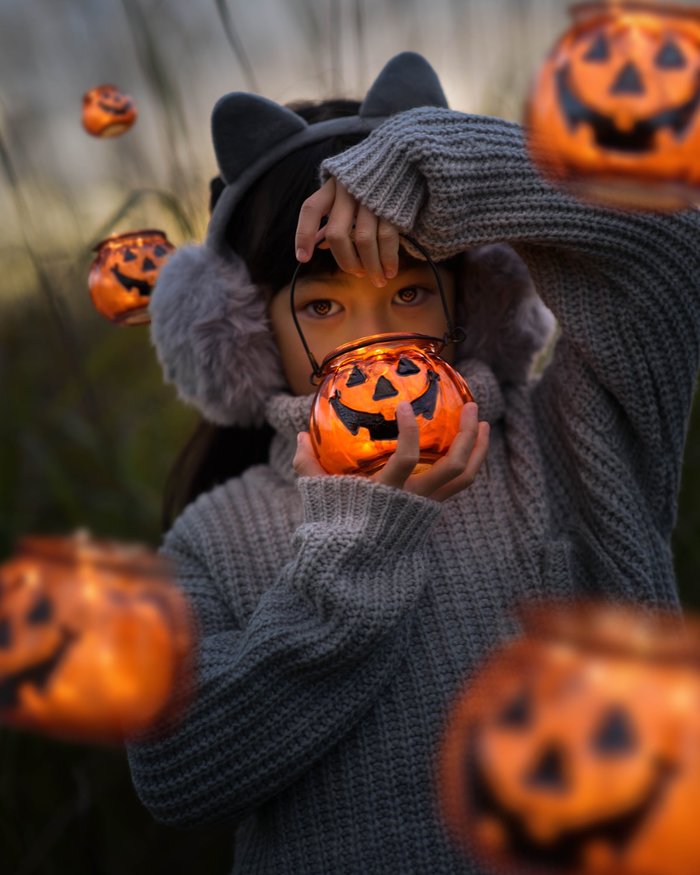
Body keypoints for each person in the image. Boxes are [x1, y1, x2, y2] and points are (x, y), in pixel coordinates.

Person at [127, 51, 700, 874]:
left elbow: (671, 243)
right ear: (249, 330)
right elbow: (178, 771)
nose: (375, 339)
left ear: (468, 303)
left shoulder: (572, 443)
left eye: (409, 291)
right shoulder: (212, 537)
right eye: (322, 304)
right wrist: (362, 546)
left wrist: (442, 168)